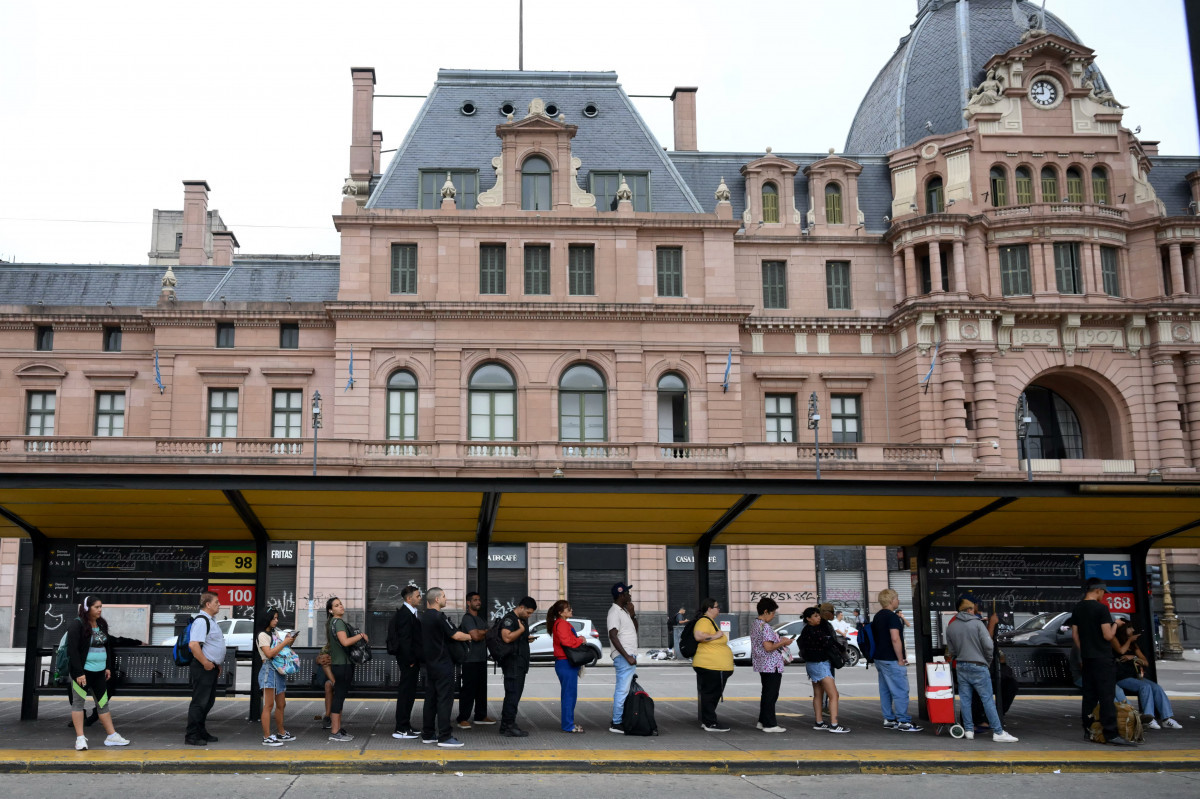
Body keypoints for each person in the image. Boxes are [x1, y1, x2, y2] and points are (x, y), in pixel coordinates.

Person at [1070, 577, 1135, 745]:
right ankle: (1111, 733)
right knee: (1106, 696)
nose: (1103, 596)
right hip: (1102, 658)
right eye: (1103, 593)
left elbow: (1075, 636)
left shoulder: (1077, 608)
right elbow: (1108, 635)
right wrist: (1116, 624)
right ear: (1098, 590)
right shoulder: (1102, 609)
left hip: (1087, 658)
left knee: (1089, 696)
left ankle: (1088, 729)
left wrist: (1085, 651)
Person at [945, 596, 1018, 742]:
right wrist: (988, 660)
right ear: (970, 609)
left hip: (961, 665)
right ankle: (998, 732)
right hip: (978, 665)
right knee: (987, 699)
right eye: (973, 607)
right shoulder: (977, 624)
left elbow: (951, 650)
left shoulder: (951, 626)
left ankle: (969, 730)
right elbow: (989, 646)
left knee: (965, 700)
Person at [66, 596, 130, 750]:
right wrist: (79, 673)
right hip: (83, 673)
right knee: (78, 703)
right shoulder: (77, 625)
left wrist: (107, 667)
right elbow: (72, 651)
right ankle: (80, 738)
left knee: (103, 703)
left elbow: (106, 647)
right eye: (96, 607)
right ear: (87, 608)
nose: (100, 609)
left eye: (101, 606)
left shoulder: (101, 624)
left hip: (99, 672)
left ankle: (111, 736)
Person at [419, 587, 472, 748]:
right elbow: (455, 635)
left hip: (429, 664)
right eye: (443, 596)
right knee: (444, 701)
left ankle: (428, 733)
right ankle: (445, 736)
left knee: (430, 700)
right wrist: (471, 636)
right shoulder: (439, 616)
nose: (445, 598)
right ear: (436, 599)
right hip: (443, 664)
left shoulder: (423, 617)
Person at [1112, 621, 1183, 730]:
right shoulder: (1115, 640)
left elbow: (1145, 662)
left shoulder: (1133, 645)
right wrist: (1130, 640)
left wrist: (1134, 657)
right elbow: (1121, 651)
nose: (1133, 630)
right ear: (1124, 630)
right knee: (1145, 687)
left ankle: (1166, 718)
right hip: (1121, 676)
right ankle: (1149, 719)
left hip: (1134, 676)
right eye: (1130, 628)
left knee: (1156, 688)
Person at [872, 588, 922, 732]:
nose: (898, 601)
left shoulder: (878, 616)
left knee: (885, 690)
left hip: (879, 658)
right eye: (897, 598)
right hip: (891, 659)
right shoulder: (892, 617)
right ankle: (903, 721)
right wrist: (901, 659)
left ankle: (889, 719)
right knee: (900, 690)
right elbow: (895, 638)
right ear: (891, 600)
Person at [799, 605, 850, 733]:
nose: (819, 618)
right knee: (834, 695)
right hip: (820, 664)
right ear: (808, 618)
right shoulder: (815, 631)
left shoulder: (805, 631)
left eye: (819, 615)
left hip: (811, 664)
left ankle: (819, 721)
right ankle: (834, 724)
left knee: (818, 694)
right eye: (815, 616)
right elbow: (828, 643)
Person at [185, 591, 226, 746]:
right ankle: (192, 735)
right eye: (216, 602)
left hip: (210, 666)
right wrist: (205, 663)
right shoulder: (202, 621)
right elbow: (193, 645)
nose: (219, 604)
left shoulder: (211, 620)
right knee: (199, 702)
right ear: (208, 604)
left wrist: (216, 664)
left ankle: (201, 731)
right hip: (203, 667)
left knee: (207, 702)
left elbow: (210, 645)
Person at [326, 596, 367, 742]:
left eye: (341, 604)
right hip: (343, 664)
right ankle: (335, 731)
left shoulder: (332, 622)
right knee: (339, 697)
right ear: (331, 610)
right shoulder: (339, 623)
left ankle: (337, 729)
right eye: (336, 605)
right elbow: (345, 642)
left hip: (339, 664)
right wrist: (360, 636)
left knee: (339, 696)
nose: (341, 607)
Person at [750, 597, 793, 733]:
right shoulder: (765, 626)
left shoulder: (755, 624)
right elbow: (768, 647)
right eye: (773, 613)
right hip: (771, 664)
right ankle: (769, 724)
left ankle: (763, 721)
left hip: (762, 663)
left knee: (767, 693)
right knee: (771, 694)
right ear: (766, 611)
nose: (773, 616)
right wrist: (783, 642)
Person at [255, 608, 298, 746]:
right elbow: (269, 654)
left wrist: (289, 640)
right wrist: (284, 643)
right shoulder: (262, 635)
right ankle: (267, 736)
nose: (276, 620)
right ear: (267, 619)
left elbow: (282, 649)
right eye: (274, 618)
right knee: (268, 705)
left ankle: (281, 732)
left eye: (277, 618)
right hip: (269, 669)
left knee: (281, 704)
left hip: (278, 670)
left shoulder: (274, 632)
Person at [692, 597, 734, 732]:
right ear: (709, 608)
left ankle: (708, 721)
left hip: (715, 666)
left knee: (712, 693)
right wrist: (717, 635)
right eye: (717, 607)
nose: (719, 609)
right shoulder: (704, 621)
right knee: (710, 694)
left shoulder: (710, 621)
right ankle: (710, 723)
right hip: (710, 666)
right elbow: (699, 636)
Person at [455, 591, 495, 729]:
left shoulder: (481, 619)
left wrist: (482, 632)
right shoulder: (467, 619)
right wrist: (484, 632)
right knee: (468, 690)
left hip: (481, 659)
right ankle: (462, 718)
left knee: (481, 689)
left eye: (479, 600)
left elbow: (486, 633)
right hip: (469, 660)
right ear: (468, 603)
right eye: (475, 600)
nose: (478, 602)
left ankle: (480, 716)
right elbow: (476, 636)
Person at [388, 584, 423, 740]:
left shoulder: (410, 612)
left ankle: (406, 725)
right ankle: (401, 728)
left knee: (409, 693)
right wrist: (410, 660)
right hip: (408, 661)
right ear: (409, 598)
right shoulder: (405, 614)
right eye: (417, 595)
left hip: (412, 660)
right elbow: (405, 640)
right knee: (405, 693)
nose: (420, 598)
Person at [498, 596, 537, 737]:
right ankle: (508, 726)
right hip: (513, 663)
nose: (529, 615)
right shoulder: (510, 619)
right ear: (521, 608)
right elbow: (506, 637)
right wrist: (520, 631)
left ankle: (507, 724)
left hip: (519, 663)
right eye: (528, 612)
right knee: (512, 695)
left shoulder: (521, 620)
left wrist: (525, 637)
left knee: (514, 694)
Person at [548, 599, 587, 733]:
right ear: (561, 612)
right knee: (569, 695)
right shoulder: (562, 624)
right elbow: (567, 642)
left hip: (564, 663)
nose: (571, 610)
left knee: (569, 695)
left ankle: (569, 723)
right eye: (568, 609)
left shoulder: (560, 623)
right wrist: (580, 640)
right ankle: (568, 725)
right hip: (566, 663)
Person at [607, 582, 639, 734]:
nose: (630, 595)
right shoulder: (614, 612)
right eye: (627, 593)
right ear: (621, 595)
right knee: (622, 689)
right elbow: (612, 635)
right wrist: (627, 656)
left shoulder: (624, 611)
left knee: (625, 689)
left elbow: (635, 630)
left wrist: (633, 615)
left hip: (628, 655)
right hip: (623, 656)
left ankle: (619, 719)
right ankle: (616, 722)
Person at [314, 646, 335, 729]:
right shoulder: (327, 647)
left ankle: (331, 717)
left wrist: (333, 661)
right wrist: (322, 660)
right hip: (326, 678)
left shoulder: (346, 645)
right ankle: (327, 716)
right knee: (328, 685)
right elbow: (318, 660)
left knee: (331, 685)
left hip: (341, 675)